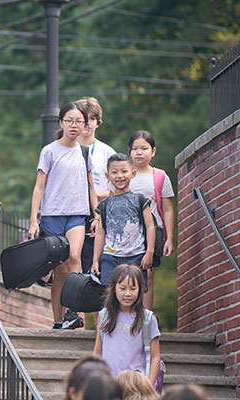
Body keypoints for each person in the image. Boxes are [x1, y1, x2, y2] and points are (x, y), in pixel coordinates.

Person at [28, 101, 98, 329]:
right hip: (52, 215)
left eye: (79, 121)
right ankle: (58, 322)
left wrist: (96, 215)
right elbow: (39, 187)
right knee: (59, 269)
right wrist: (33, 220)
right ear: (61, 122)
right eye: (69, 121)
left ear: (85, 125)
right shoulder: (49, 151)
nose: (74, 125)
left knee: (75, 257)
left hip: (77, 214)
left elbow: (91, 186)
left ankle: (72, 311)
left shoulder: (85, 152)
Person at [91, 153, 156, 288]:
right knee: (109, 293)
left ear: (133, 173)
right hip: (110, 257)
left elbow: (150, 226)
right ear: (107, 176)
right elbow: (100, 233)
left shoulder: (140, 200)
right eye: (114, 172)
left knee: (135, 292)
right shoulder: (104, 205)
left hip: (136, 255)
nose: (119, 176)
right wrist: (95, 260)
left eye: (124, 171)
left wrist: (149, 252)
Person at [128, 130, 175, 310]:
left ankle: (145, 317)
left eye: (144, 148)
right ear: (129, 152)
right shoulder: (124, 174)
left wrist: (169, 238)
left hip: (153, 232)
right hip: (127, 232)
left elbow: (168, 209)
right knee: (125, 274)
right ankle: (127, 315)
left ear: (153, 151)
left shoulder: (160, 176)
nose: (139, 152)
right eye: (135, 148)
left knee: (147, 274)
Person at [93, 264, 161, 386]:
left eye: (133, 288)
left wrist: (149, 387)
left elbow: (155, 356)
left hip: (135, 386)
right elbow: (98, 351)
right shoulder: (104, 316)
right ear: (114, 289)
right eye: (123, 288)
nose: (128, 294)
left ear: (140, 289)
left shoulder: (148, 319)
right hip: (108, 384)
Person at [76, 97, 116, 275]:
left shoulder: (107, 152)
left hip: (101, 216)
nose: (87, 124)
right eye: (83, 119)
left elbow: (118, 188)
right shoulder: (68, 149)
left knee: (99, 264)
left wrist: (97, 194)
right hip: (75, 213)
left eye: (92, 119)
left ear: (98, 122)